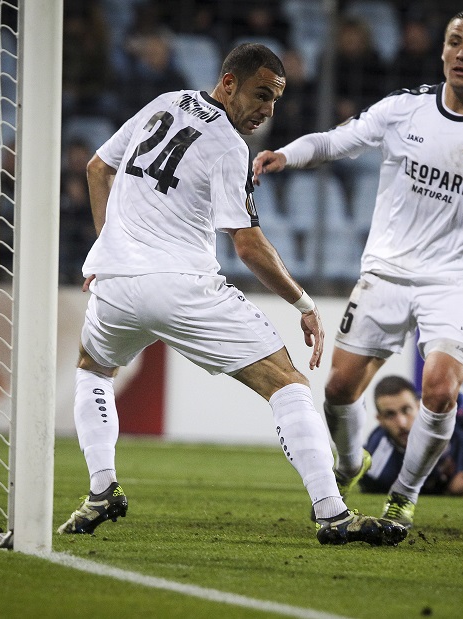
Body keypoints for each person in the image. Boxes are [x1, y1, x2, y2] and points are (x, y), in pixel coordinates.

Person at [57, 43, 407, 547]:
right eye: (261, 94)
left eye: (275, 100)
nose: (268, 110)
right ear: (228, 84)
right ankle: (332, 513)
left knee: (93, 369)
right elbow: (248, 245)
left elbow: (96, 168)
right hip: (182, 286)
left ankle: (101, 489)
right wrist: (304, 304)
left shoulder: (165, 102)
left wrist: (110, 248)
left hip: (115, 285)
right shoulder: (228, 146)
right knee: (287, 382)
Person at [252, 9, 463, 528]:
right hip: (387, 273)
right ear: (442, 50)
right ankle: (350, 462)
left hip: (459, 281)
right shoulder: (404, 110)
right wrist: (285, 155)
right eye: (454, 42)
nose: (462, 53)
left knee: (440, 391)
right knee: (338, 390)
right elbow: (334, 141)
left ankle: (404, 495)